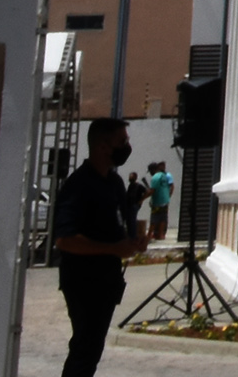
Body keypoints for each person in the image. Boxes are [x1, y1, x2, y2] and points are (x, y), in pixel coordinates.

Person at [50, 117, 150, 377]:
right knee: (85, 349)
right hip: (83, 283)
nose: (127, 146)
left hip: (106, 282)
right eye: (122, 141)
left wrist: (135, 242)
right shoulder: (78, 186)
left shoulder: (114, 184)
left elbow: (119, 228)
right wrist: (114, 249)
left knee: (91, 350)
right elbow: (65, 239)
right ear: (103, 146)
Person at [145, 161, 174, 243]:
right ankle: (160, 235)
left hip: (158, 202)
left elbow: (153, 190)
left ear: (153, 170)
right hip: (164, 201)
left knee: (154, 218)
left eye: (150, 171)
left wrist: (142, 199)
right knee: (162, 218)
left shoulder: (155, 177)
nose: (150, 173)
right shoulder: (164, 176)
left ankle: (149, 235)